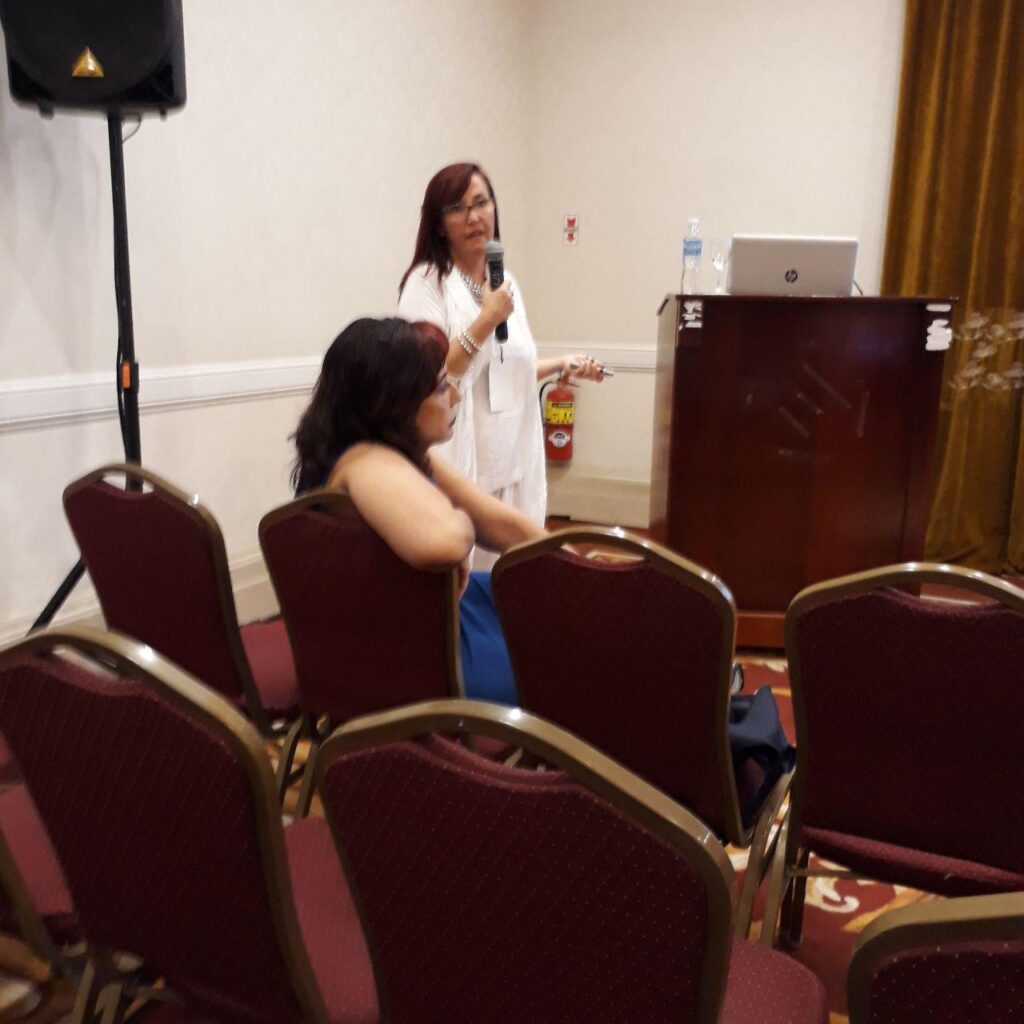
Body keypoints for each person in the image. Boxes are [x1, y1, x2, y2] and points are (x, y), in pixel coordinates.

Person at [292, 316, 543, 704]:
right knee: (559, 662)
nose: (454, 396)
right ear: (395, 404)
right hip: (412, 656)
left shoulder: (395, 452)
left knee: (543, 601)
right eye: (442, 387)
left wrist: (574, 572)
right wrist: (460, 527)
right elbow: (444, 543)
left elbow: (500, 523)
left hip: (417, 617)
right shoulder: (367, 462)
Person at [397, 162, 605, 569]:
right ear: (439, 224)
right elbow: (427, 378)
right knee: (462, 584)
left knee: (510, 582)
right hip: (459, 466)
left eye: (481, 203)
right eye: (457, 208)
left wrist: (561, 364)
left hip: (511, 461)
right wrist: (488, 318)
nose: (474, 217)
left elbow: (505, 369)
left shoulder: (504, 282)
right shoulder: (427, 282)